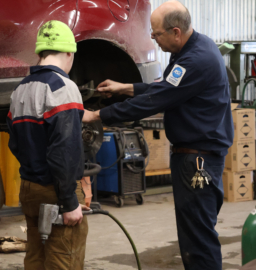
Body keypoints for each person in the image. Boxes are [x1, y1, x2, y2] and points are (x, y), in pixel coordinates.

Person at [83, 1, 233, 269]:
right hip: (195, 158)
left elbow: (157, 99)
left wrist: (97, 116)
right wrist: (126, 87)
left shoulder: (195, 60)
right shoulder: (194, 47)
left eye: (156, 34)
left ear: (176, 31)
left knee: (198, 239)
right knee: (194, 235)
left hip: (197, 162)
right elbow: (166, 87)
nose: (153, 38)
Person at [7, 20, 88, 270]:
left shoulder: (20, 90)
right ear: (68, 53)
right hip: (55, 189)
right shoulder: (64, 88)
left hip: (29, 189)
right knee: (64, 258)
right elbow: (64, 150)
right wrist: (69, 202)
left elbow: (15, 144)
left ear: (41, 52)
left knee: (36, 258)